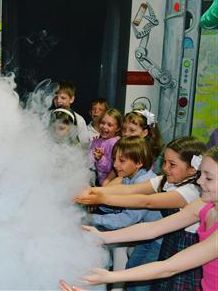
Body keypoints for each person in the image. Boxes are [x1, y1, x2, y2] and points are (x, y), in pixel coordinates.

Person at [61, 146, 218, 291]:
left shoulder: (196, 197)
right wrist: (103, 237)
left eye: (208, 178)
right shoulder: (204, 205)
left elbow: (170, 267)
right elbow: (153, 228)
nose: (199, 181)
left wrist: (110, 276)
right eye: (201, 174)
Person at [83, 136, 161, 291]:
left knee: (141, 281)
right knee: (132, 269)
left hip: (157, 241)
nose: (115, 165)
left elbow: (125, 219)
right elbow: (118, 205)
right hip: (146, 236)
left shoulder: (143, 182)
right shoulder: (128, 177)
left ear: (138, 162)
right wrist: (96, 202)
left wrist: (91, 218)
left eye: (122, 160)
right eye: (114, 159)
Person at [50, 81, 89, 146]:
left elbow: (84, 145)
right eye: (56, 98)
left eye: (63, 98)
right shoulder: (48, 116)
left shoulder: (79, 120)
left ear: (71, 99)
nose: (58, 101)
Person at [89, 108, 122, 186]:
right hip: (96, 182)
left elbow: (112, 168)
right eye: (102, 123)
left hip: (110, 185)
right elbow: (89, 162)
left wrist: (100, 159)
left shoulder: (115, 143)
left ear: (118, 128)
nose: (104, 127)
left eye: (109, 125)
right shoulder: (96, 142)